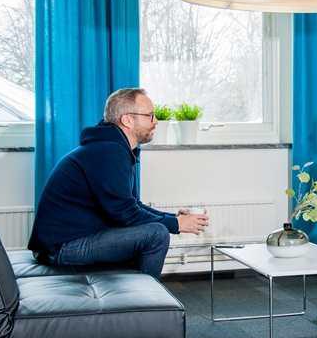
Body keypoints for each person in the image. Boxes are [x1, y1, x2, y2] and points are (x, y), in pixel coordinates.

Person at [28, 88, 208, 279]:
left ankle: (131, 289)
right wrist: (175, 224)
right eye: (150, 115)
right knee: (157, 234)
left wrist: (174, 218)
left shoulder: (112, 148)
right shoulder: (109, 152)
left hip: (69, 241)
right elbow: (126, 214)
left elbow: (132, 205)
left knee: (153, 230)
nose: (155, 121)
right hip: (61, 248)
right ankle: (144, 296)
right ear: (127, 120)